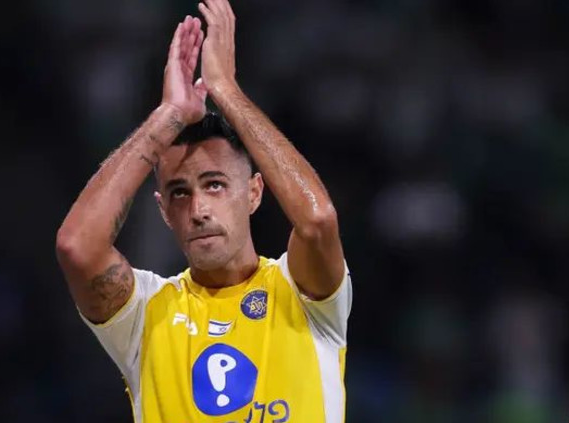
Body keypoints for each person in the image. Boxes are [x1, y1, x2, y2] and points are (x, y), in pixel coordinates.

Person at [55, 0, 352, 421]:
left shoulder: (302, 293)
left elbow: (318, 221)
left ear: (254, 193)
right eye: (179, 193)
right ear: (164, 211)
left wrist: (226, 91)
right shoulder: (145, 315)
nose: (198, 209)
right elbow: (77, 247)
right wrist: (168, 117)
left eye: (214, 185)